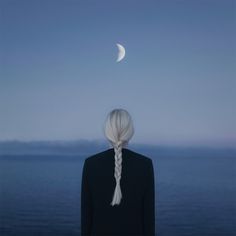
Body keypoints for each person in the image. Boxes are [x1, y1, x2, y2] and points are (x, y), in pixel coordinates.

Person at [81, 108, 155, 236]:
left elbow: (86, 219)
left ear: (107, 131)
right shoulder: (145, 165)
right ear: (130, 131)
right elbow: (148, 220)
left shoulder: (90, 164)